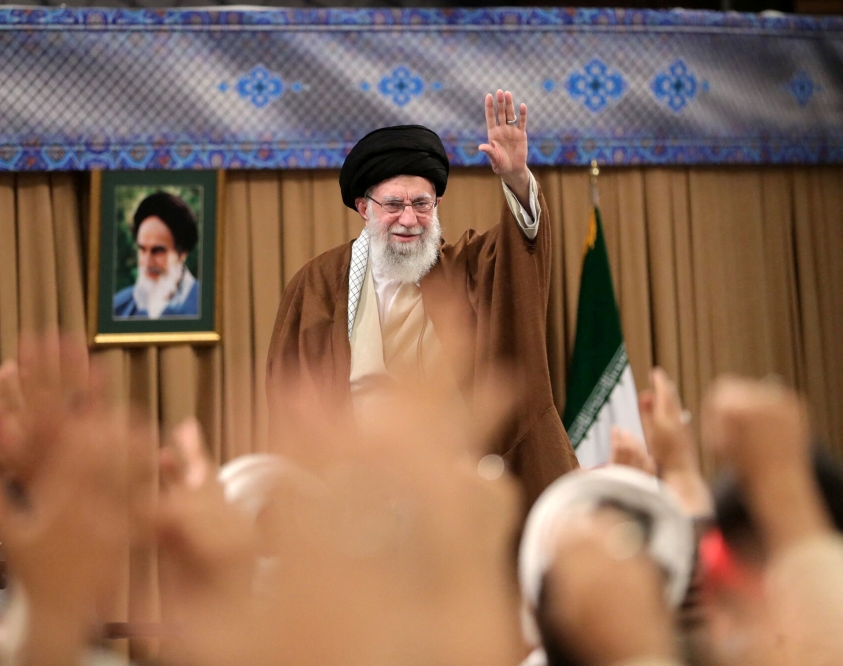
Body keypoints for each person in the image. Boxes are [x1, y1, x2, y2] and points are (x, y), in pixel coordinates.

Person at [267, 89, 577, 506]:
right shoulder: (318, 284)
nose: (409, 219)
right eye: (394, 204)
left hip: (450, 492)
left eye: (422, 204)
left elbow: (518, 257)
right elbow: (290, 400)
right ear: (364, 207)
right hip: (354, 498)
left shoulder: (463, 268)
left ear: (437, 203)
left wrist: (517, 180)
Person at [113, 191, 200, 319]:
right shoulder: (118, 307)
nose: (147, 262)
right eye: (142, 249)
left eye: (158, 251)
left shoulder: (207, 305)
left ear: (182, 254)